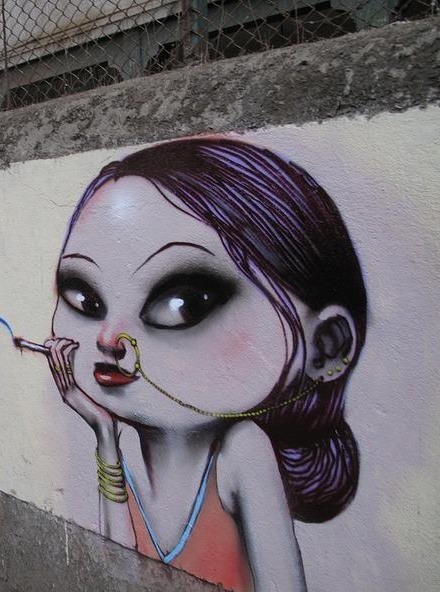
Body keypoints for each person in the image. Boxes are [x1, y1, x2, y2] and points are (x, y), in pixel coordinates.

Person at [43, 138, 366, 591]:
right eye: (85, 299)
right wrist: (104, 435)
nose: (108, 339)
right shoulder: (121, 440)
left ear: (326, 345)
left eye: (183, 303)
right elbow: (118, 569)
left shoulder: (243, 451)